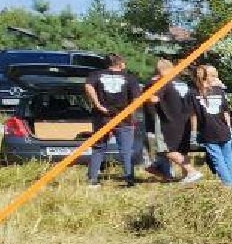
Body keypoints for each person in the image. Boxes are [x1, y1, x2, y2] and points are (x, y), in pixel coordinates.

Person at [83, 53, 142, 188]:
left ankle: (93, 180)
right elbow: (136, 99)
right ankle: (129, 180)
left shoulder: (96, 75)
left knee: (98, 148)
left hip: (102, 116)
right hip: (124, 118)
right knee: (126, 150)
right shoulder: (130, 78)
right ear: (120, 63)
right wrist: (131, 112)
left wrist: (97, 104)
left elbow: (88, 86)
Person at [146, 58, 202, 184]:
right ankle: (187, 176)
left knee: (167, 151)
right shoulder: (182, 84)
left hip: (169, 123)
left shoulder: (164, 82)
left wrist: (145, 95)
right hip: (185, 122)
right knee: (182, 150)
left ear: (160, 70)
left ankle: (192, 171)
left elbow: (154, 99)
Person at [193, 64, 232, 187]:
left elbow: (193, 116)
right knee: (228, 159)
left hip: (208, 132)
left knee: (218, 160)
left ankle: (228, 184)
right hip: (224, 130)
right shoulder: (219, 91)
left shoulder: (194, 93)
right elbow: (226, 112)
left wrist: (193, 134)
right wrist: (230, 129)